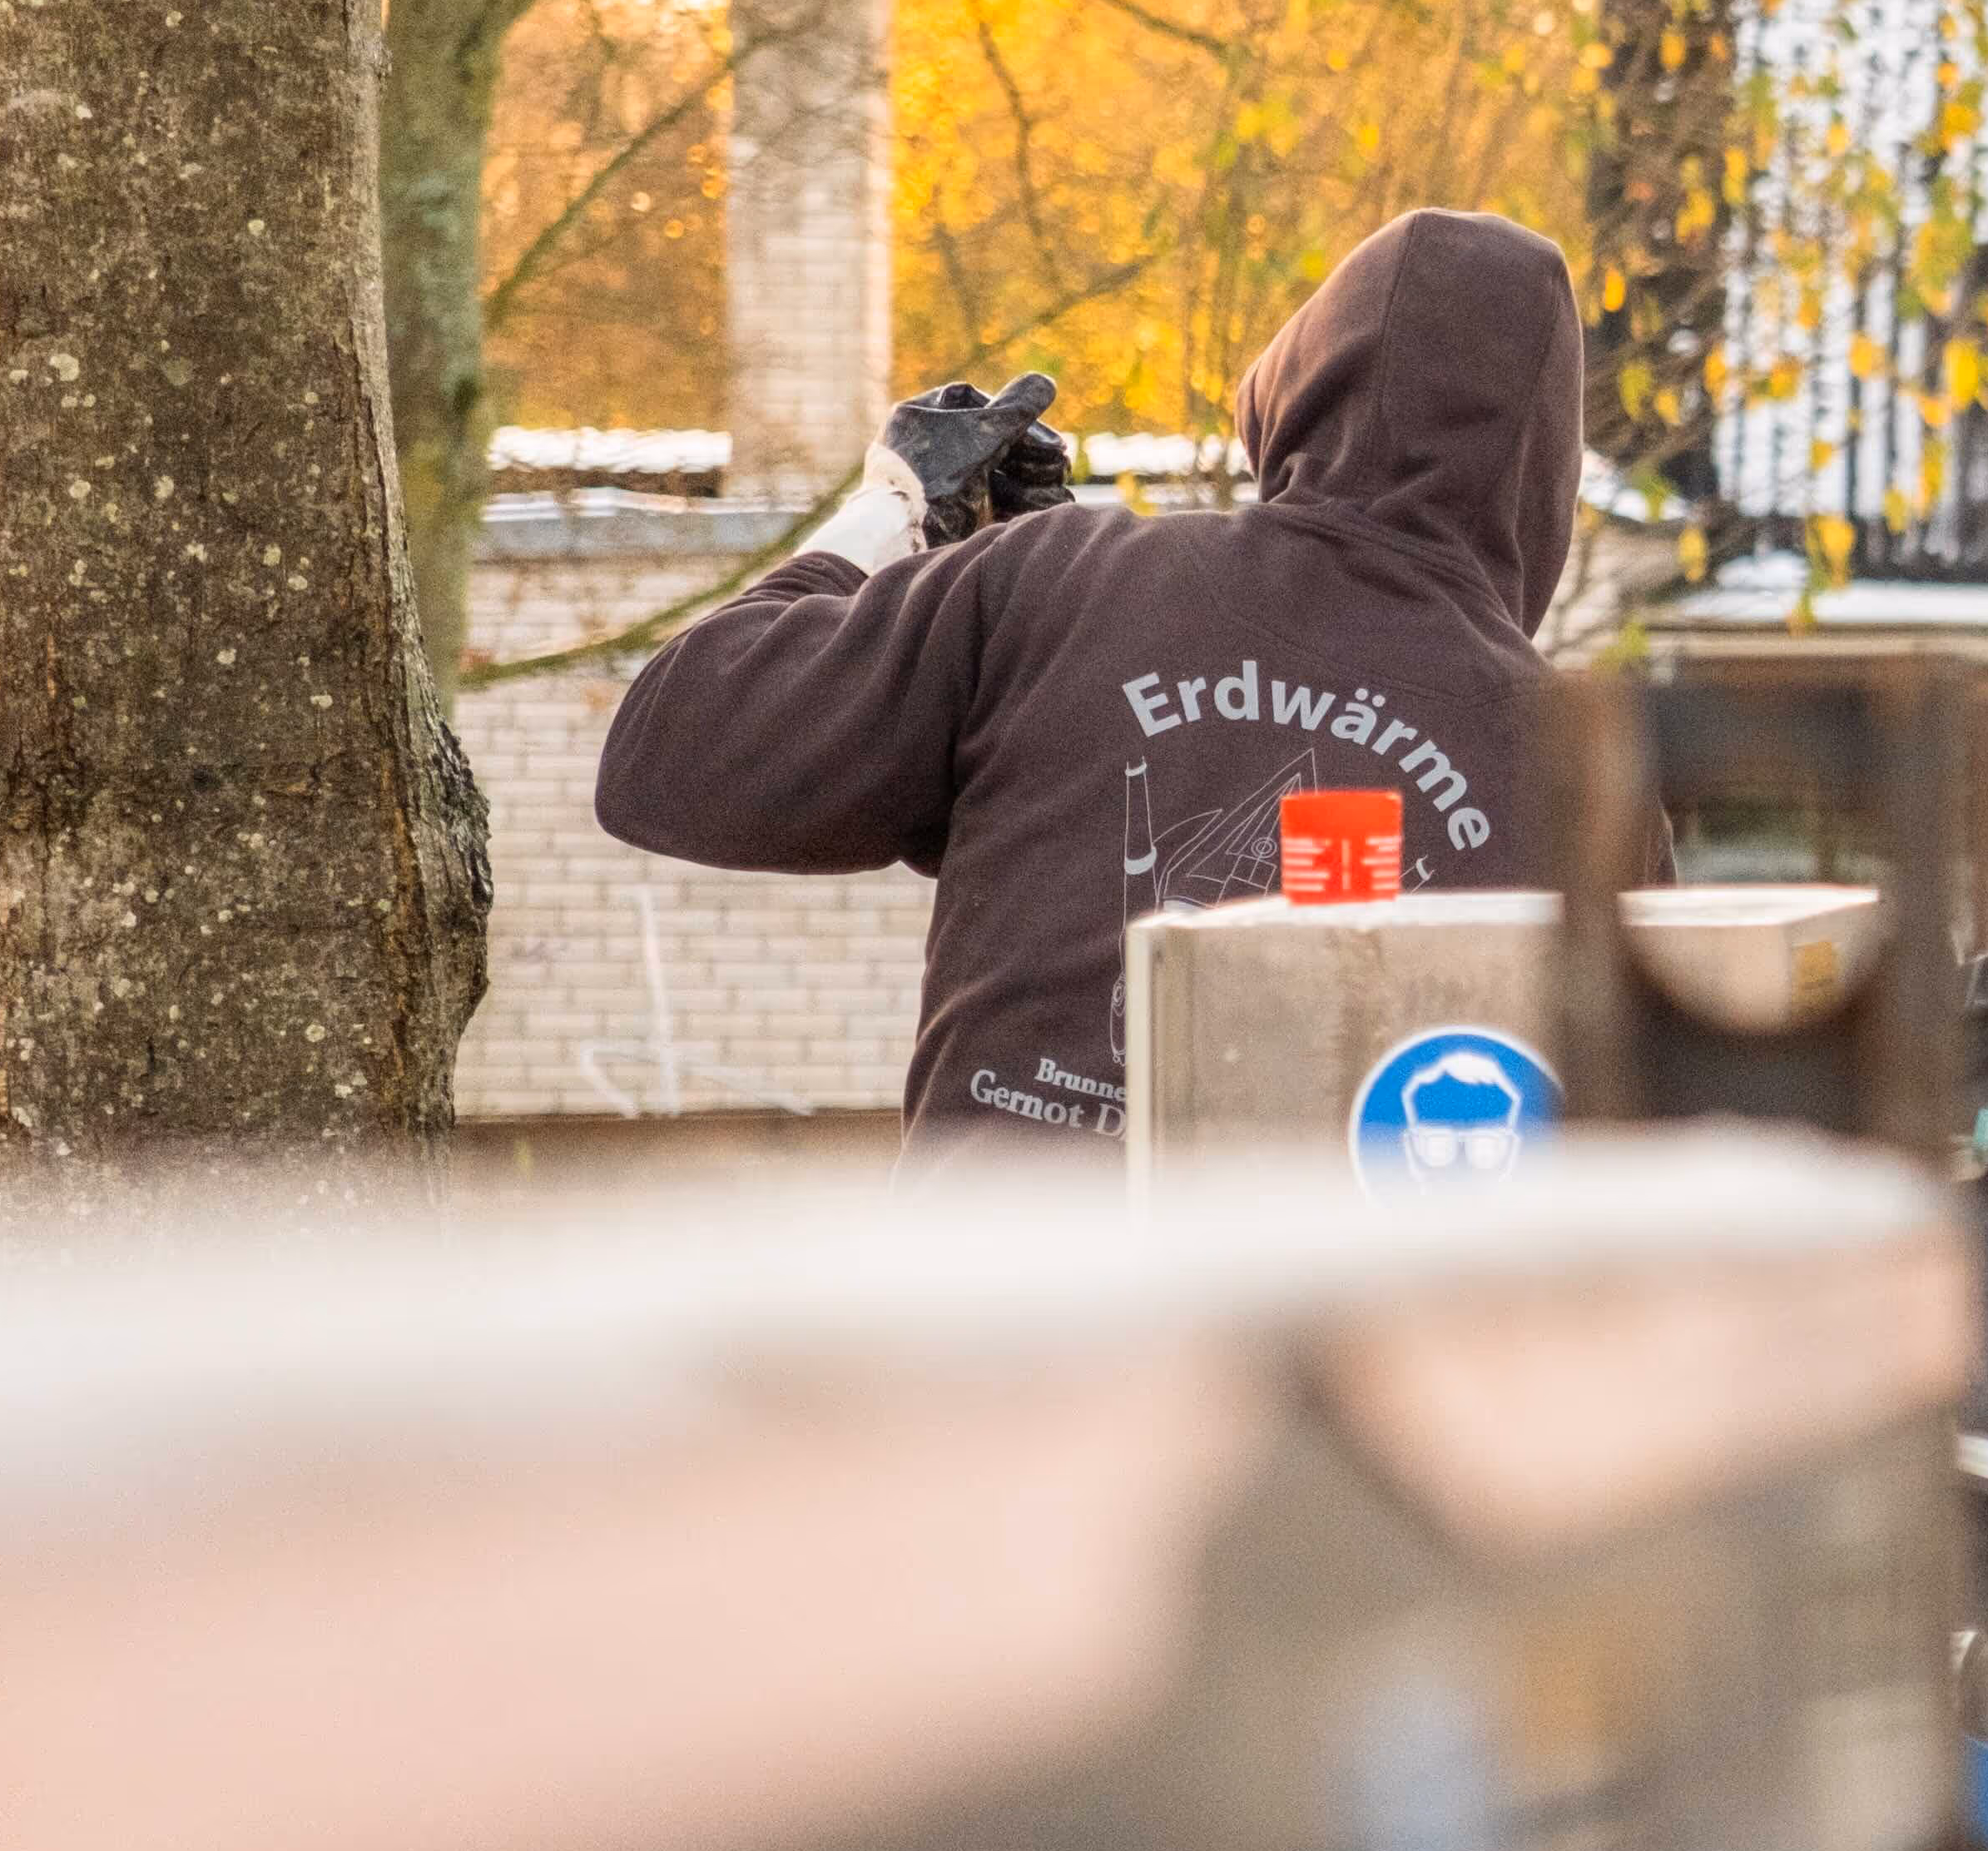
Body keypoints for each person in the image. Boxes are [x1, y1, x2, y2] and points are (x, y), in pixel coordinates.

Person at [598, 208, 1589, 1147]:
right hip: (1335, 1323)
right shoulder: (1580, 774)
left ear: (1298, 396)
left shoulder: (1062, 580)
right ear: (1544, 478)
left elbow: (677, 751)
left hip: (1004, 1312)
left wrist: (897, 516)